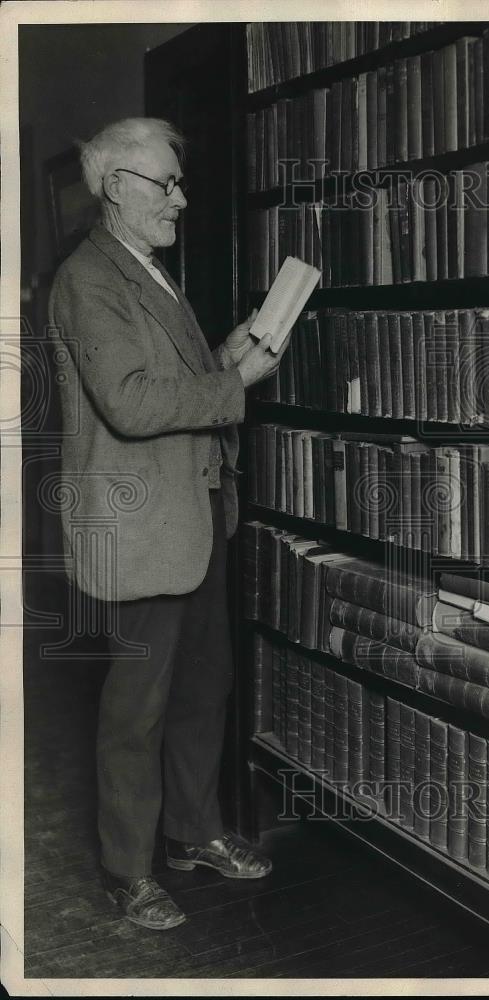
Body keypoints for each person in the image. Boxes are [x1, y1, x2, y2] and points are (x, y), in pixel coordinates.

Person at [48, 117, 289, 931]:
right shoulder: (90, 280)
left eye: (177, 184)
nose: (180, 199)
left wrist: (229, 355)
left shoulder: (148, 271)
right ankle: (126, 870)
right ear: (117, 186)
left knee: (202, 689)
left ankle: (194, 833)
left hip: (192, 519)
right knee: (136, 709)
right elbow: (130, 401)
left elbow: (174, 385)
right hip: (140, 528)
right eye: (166, 184)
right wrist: (237, 386)